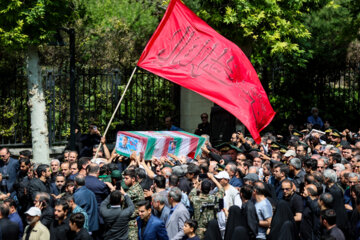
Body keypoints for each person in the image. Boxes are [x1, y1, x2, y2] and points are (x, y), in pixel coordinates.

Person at [189, 173, 224, 239]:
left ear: (201, 189)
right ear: (210, 189)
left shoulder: (195, 199)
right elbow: (222, 191)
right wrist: (213, 178)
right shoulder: (214, 198)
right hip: (211, 228)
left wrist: (197, 185)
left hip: (199, 229)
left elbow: (190, 195)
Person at [123, 168, 145, 239]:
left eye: (126, 178)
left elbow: (122, 198)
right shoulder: (134, 187)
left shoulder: (134, 191)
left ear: (133, 179)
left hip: (132, 223)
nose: (124, 180)